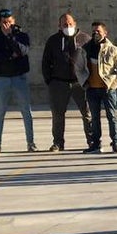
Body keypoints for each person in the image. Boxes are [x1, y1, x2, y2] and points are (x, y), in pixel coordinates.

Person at [0, 7, 37, 154]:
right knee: (0, 112)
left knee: (26, 111)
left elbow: (23, 51)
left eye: (9, 21)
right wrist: (10, 56)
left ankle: (31, 143)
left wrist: (10, 37)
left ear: (13, 21)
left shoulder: (21, 36)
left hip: (19, 77)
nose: (6, 24)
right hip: (1, 79)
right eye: (3, 22)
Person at [41, 12, 92, 153]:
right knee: (58, 115)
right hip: (59, 83)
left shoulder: (85, 39)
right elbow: (46, 62)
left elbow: (91, 61)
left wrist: (89, 80)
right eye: (64, 24)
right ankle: (58, 143)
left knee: (87, 113)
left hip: (80, 83)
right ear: (59, 25)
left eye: (70, 24)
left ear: (75, 23)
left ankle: (92, 141)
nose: (67, 26)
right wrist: (49, 80)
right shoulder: (53, 41)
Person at [83, 21, 117, 154]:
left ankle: (115, 143)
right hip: (91, 89)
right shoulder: (86, 49)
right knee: (94, 118)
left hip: (107, 89)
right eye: (94, 31)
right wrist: (83, 81)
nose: (95, 33)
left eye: (98, 31)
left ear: (105, 33)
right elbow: (79, 67)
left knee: (111, 116)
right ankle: (96, 144)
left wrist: (113, 85)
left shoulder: (113, 50)